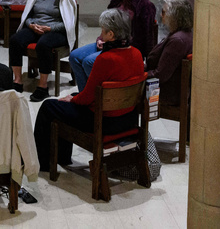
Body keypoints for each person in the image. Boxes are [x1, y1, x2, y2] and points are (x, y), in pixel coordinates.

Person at [33, 9, 145, 172]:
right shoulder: (137, 53)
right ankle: (62, 158)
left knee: (49, 106)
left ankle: (43, 162)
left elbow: (86, 98)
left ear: (111, 35)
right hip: (128, 118)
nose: (101, 34)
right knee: (69, 100)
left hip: (104, 121)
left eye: (103, 31)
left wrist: (72, 99)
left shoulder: (105, 59)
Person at [68, 0, 156, 89]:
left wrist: (149, 63)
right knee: (75, 56)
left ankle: (98, 95)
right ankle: (84, 94)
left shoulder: (145, 5)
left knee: (89, 62)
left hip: (124, 48)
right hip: (108, 42)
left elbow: (148, 37)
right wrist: (101, 39)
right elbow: (107, 22)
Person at [9, 0, 78, 102]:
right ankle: (17, 80)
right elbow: (28, 15)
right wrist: (31, 25)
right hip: (36, 27)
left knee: (43, 44)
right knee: (15, 40)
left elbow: (68, 24)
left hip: (56, 31)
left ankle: (43, 86)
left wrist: (50, 28)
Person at [146, 0, 193, 106]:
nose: (161, 15)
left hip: (167, 93)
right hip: (173, 89)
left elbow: (160, 74)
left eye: (163, 12)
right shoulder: (185, 34)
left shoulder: (177, 41)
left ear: (174, 16)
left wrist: (140, 75)